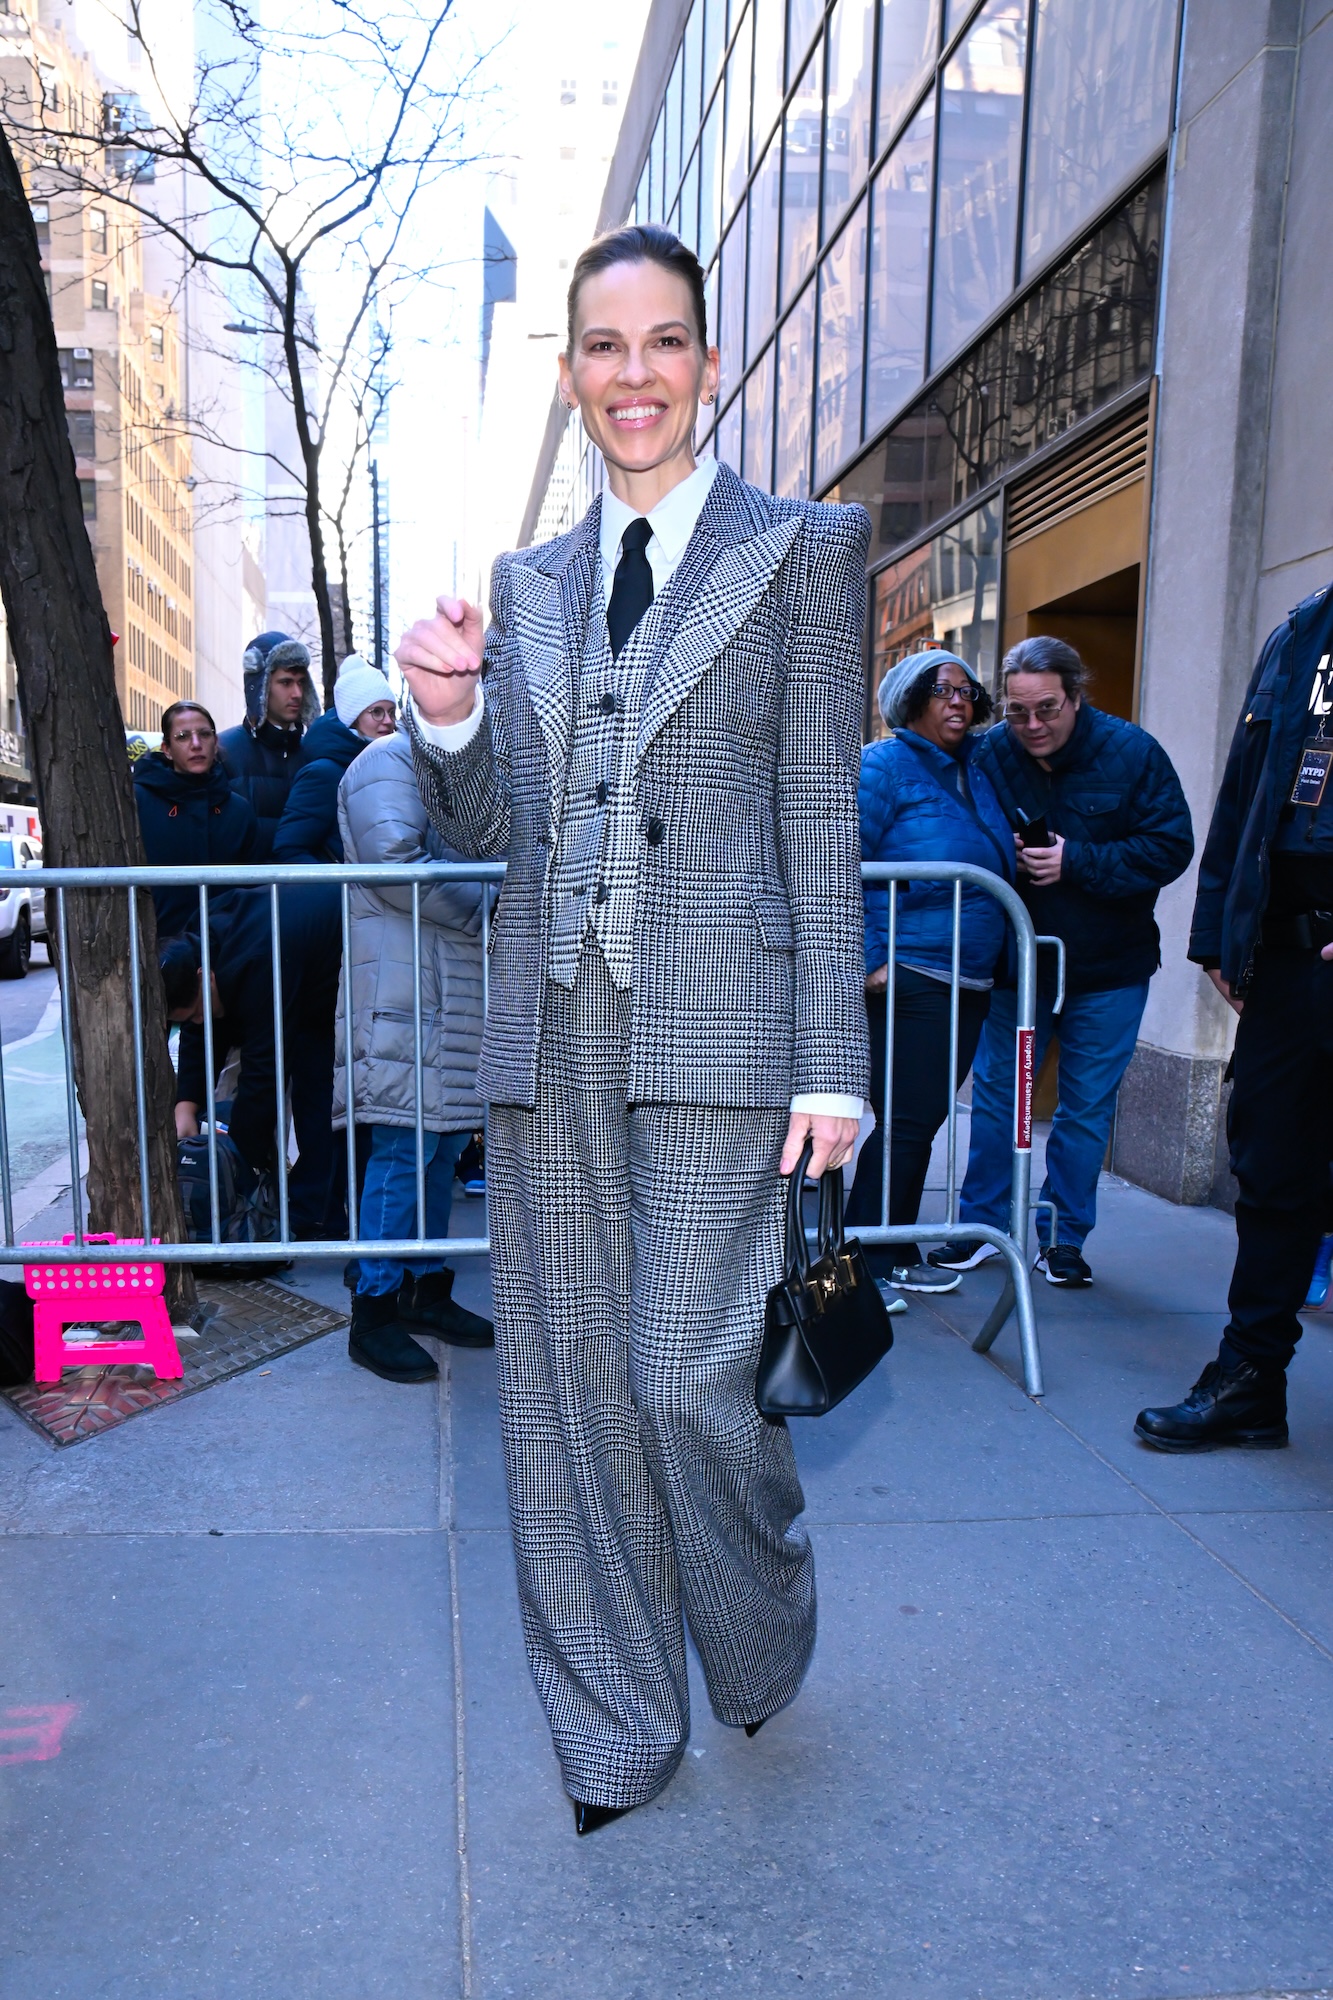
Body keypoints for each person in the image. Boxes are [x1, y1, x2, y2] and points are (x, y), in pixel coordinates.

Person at [394, 223, 869, 1833]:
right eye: (606, 347)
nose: (635, 375)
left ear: (709, 361)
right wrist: (448, 717)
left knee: (682, 1379)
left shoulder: (803, 550)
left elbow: (820, 808)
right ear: (574, 371)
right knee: (564, 1401)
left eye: (665, 342)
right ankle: (614, 1726)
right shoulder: (526, 586)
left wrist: (835, 1063)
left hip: (732, 1033)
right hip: (555, 1033)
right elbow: (495, 831)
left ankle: (758, 1631)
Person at [1136, 578, 1333, 1451]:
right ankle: (1251, 1379)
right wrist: (1217, 930)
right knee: (1274, 1168)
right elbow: (1247, 789)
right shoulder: (1303, 629)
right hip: (1290, 961)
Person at [930, 636, 1193, 1286]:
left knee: (1083, 1109)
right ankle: (980, 1227)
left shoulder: (1131, 752)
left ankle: (1062, 1238)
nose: (1033, 726)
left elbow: (1169, 847)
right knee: (997, 1098)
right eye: (1018, 713)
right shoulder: (989, 752)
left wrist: (1076, 861)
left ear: (1076, 696)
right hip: (1014, 969)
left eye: (1046, 709)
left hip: (1107, 969)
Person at [846, 650, 1014, 1296]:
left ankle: (890, 1243)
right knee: (909, 1120)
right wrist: (870, 959)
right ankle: (867, 1262)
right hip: (910, 972)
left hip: (967, 977)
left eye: (967, 691)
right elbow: (839, 861)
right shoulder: (882, 765)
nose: (959, 702)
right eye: (943, 691)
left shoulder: (975, 770)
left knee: (920, 1120)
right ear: (910, 699)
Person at [334, 719, 493, 1382]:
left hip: (445, 985)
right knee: (405, 1150)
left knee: (442, 1146)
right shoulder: (388, 759)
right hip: (405, 984)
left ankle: (423, 1290)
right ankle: (373, 1310)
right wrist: (493, 895)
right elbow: (395, 865)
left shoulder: (451, 764)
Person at [160, 889, 343, 1239]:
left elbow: (265, 1071)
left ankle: (319, 1216)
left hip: (327, 976)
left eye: (197, 1012)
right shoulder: (192, 949)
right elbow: (200, 1035)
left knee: (317, 1098)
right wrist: (185, 1107)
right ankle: (312, 1205)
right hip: (292, 963)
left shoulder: (259, 961)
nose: (198, 1022)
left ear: (204, 976)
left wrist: (242, 1162)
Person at [133, 700, 259, 934]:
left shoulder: (238, 810)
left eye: (204, 734)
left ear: (215, 741)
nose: (195, 744)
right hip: (158, 950)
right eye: (182, 736)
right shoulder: (137, 802)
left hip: (226, 948)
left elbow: (251, 890)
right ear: (167, 749)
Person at [272, 656, 397, 864]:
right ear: (353, 716)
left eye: (391, 712)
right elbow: (289, 849)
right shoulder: (323, 774)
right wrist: (340, 889)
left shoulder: (389, 764)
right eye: (376, 712)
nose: (388, 721)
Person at [218, 631, 321, 854]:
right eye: (285, 682)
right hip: (243, 886)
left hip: (303, 885)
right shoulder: (223, 752)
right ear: (261, 686)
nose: (296, 693)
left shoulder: (313, 754)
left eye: (301, 683)